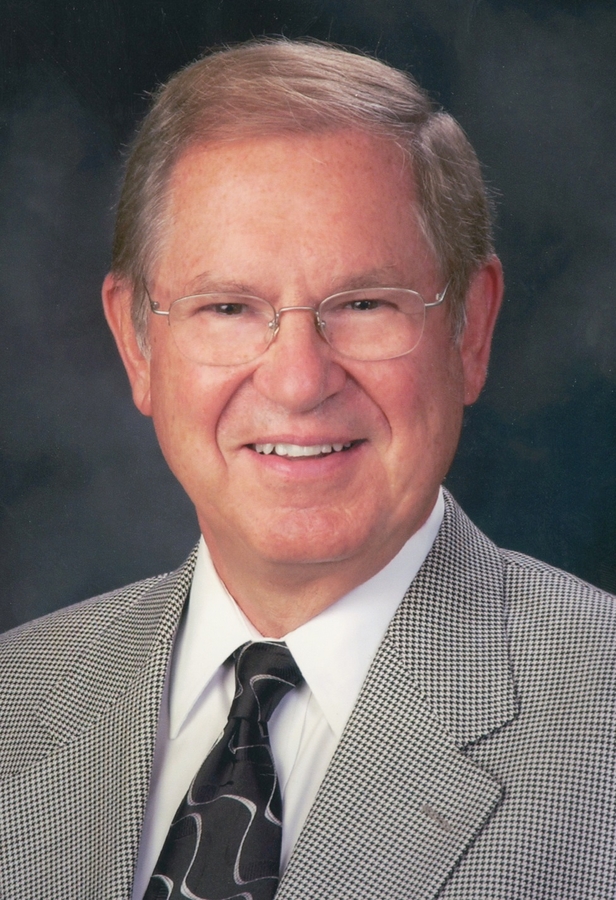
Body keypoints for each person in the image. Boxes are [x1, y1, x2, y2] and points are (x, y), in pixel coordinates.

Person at [0, 38, 614, 900]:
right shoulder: (15, 700)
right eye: (228, 307)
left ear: (470, 331)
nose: (298, 381)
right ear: (138, 345)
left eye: (363, 304)